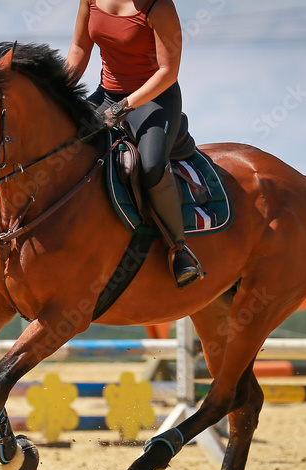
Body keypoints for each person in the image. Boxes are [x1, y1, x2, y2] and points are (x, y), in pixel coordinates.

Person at [66, 0, 204, 288]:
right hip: (106, 94)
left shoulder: (159, 6)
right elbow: (80, 48)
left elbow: (168, 72)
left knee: (152, 165)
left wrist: (122, 109)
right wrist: (58, 92)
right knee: (62, 143)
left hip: (154, 99)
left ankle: (179, 250)